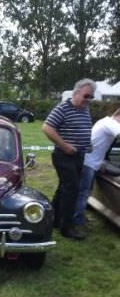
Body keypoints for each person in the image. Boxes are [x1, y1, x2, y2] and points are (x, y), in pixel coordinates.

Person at [42, 78, 96, 240]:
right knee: (72, 189)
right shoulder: (63, 108)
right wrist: (64, 145)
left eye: (91, 97)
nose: (88, 100)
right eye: (86, 96)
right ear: (76, 92)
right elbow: (47, 127)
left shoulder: (84, 109)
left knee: (65, 188)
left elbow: (83, 128)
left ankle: (53, 219)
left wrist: (88, 144)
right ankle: (67, 227)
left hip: (78, 155)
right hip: (64, 155)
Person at [73, 108, 120, 227]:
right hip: (89, 162)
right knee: (83, 193)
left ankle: (78, 217)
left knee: (84, 192)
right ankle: (78, 221)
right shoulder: (111, 124)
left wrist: (101, 162)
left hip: (90, 161)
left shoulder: (104, 121)